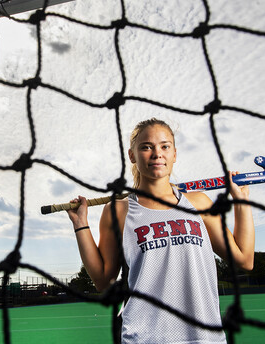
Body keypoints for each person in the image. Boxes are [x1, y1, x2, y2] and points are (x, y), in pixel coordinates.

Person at [66, 118, 254, 343]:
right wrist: (81, 224)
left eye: (165, 146)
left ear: (174, 154)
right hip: (144, 338)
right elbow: (103, 280)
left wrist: (241, 203)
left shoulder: (199, 204)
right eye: (146, 147)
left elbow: (244, 259)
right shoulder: (118, 210)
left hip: (205, 337)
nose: (157, 154)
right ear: (132, 156)